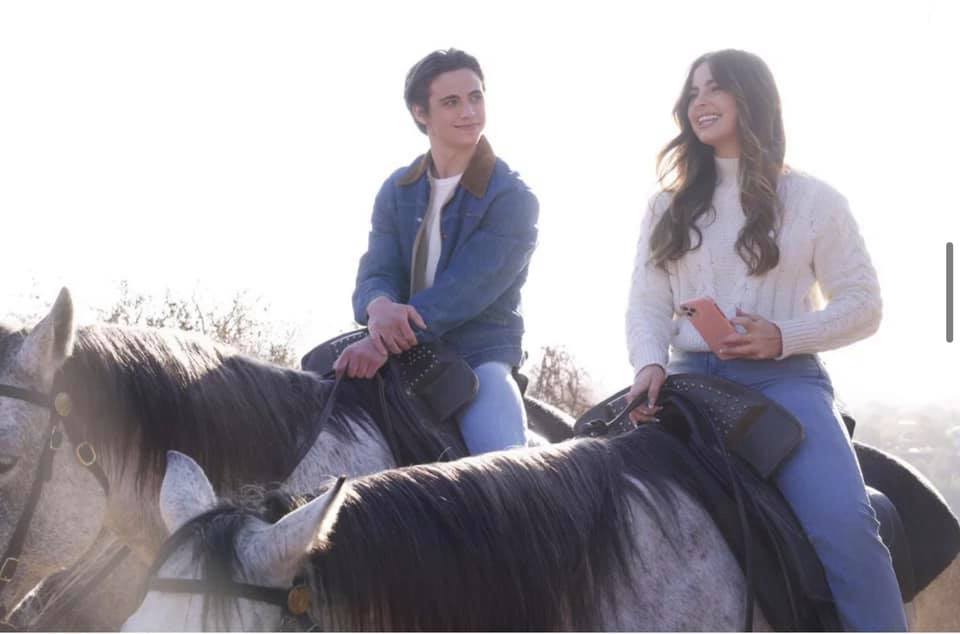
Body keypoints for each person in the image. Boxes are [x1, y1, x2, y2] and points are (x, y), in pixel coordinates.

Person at [625, 49, 906, 631]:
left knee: (848, 525)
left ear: (750, 98)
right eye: (693, 92)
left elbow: (864, 305)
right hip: (686, 382)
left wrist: (782, 336)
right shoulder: (665, 206)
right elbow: (647, 302)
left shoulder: (815, 201)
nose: (700, 102)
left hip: (785, 384)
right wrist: (649, 364)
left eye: (715, 88)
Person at [334, 48, 539, 456]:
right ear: (420, 112)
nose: (469, 112)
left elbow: (466, 290)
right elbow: (377, 268)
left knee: (502, 469)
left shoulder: (513, 197)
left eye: (475, 97)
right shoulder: (397, 189)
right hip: (395, 344)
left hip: (477, 355)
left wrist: (383, 341)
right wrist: (377, 305)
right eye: (451, 102)